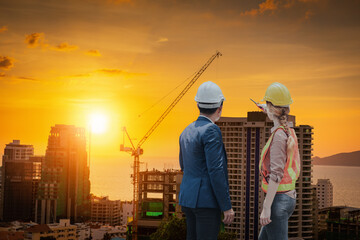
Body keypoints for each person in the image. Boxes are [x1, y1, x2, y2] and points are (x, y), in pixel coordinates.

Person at [179, 81, 235, 240]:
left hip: (188, 200)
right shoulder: (212, 130)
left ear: (197, 104)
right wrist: (226, 207)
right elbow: (216, 170)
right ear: (220, 107)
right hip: (206, 201)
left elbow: (184, 166)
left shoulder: (186, 130)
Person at [258, 82, 301, 240]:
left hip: (277, 202)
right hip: (289, 198)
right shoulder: (289, 131)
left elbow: (276, 175)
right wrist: (266, 107)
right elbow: (277, 114)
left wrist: (266, 207)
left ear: (271, 109)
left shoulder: (278, 137)